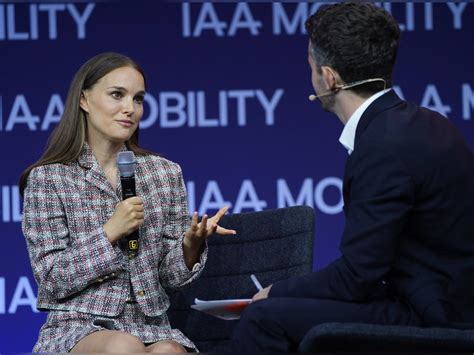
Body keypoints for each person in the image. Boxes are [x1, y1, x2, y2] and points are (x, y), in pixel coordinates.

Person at [231, 2, 474, 351]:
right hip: (441, 300)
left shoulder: (383, 146)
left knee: (262, 318)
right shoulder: (428, 122)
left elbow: (357, 277)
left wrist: (275, 292)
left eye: (311, 67)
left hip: (435, 315)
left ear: (329, 78)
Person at [20, 52, 236, 353]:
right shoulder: (49, 179)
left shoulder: (164, 173)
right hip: (78, 324)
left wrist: (189, 246)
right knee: (123, 346)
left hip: (151, 324)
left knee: (169, 351)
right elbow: (52, 280)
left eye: (138, 99)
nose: (129, 109)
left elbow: (170, 278)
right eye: (116, 95)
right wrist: (109, 232)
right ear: (84, 100)